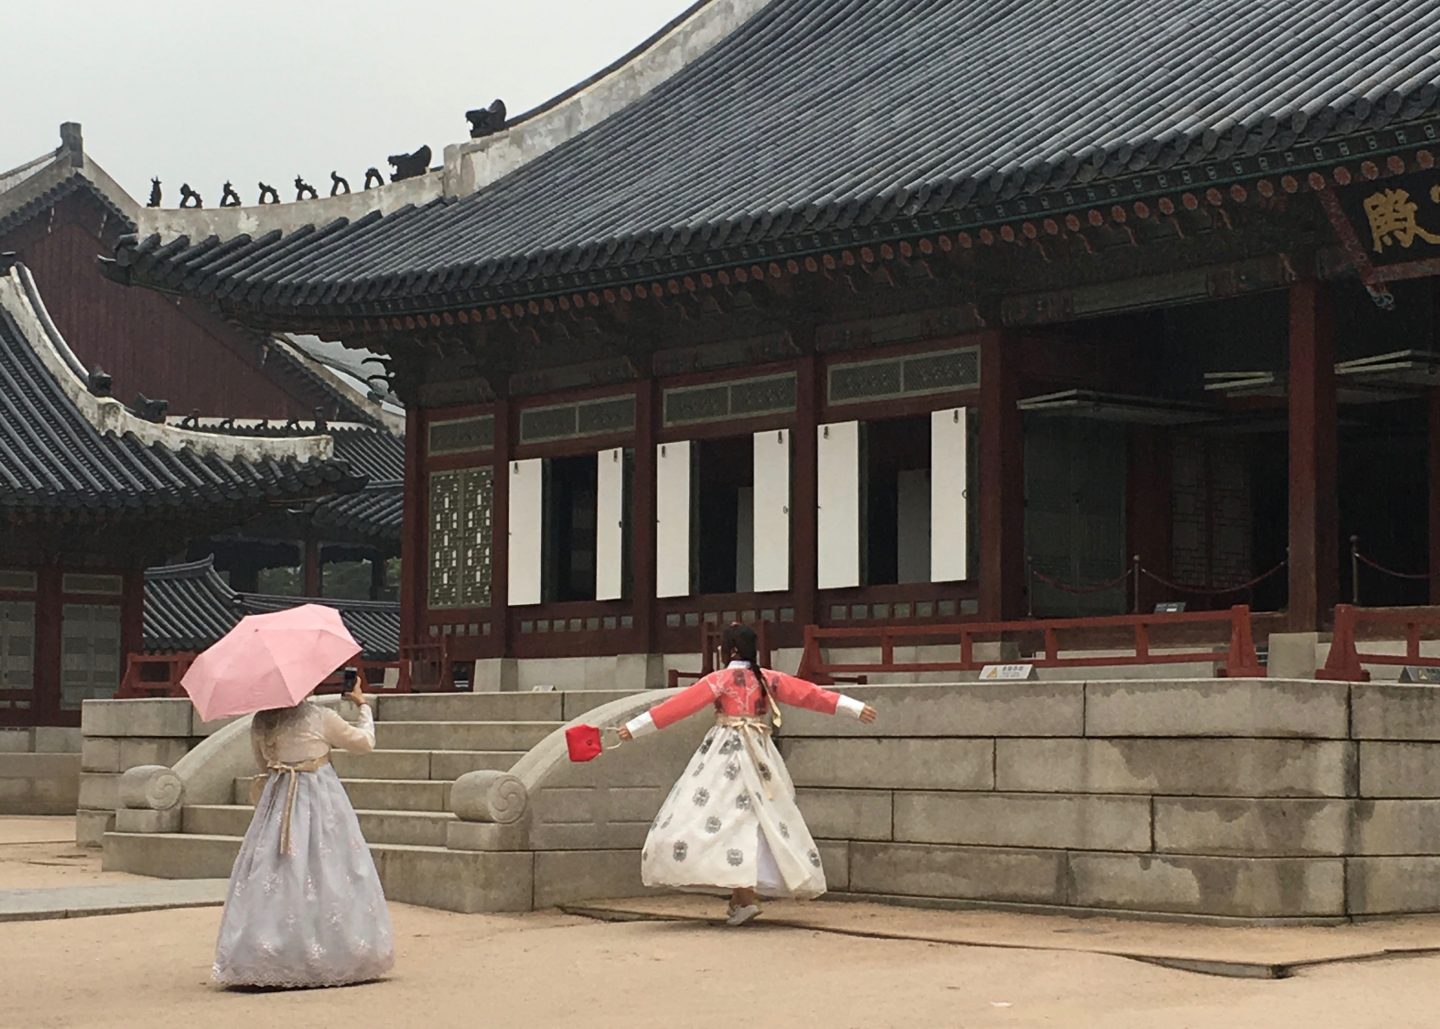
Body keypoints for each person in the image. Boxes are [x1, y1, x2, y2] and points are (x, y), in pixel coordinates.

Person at [618, 623, 877, 925]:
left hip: (725, 749)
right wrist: (853, 706)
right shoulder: (767, 678)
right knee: (759, 817)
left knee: (717, 814)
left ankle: (743, 897)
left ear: (731, 650)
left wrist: (635, 728)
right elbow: (809, 694)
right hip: (760, 751)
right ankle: (742, 897)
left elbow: (679, 706)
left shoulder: (720, 680)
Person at [212, 670, 395, 988]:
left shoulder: (261, 722)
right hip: (319, 797)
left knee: (273, 872)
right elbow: (364, 743)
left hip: (278, 797)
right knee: (330, 868)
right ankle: (336, 951)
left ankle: (265, 949)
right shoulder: (319, 717)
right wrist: (362, 705)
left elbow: (262, 763)